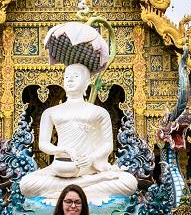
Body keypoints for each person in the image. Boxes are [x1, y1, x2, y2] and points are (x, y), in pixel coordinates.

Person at [19, 63, 137, 204]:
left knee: (129, 182)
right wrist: (60, 150)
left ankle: (65, 192)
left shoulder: (99, 112)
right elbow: (43, 144)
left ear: (87, 82)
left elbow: (107, 146)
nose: (70, 79)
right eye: (67, 76)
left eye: (75, 76)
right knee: (26, 184)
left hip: (89, 169)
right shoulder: (51, 112)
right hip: (61, 169)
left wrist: (91, 158)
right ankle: (86, 187)